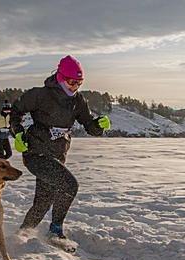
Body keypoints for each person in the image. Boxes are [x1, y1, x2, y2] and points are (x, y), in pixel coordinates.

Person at [10, 55, 110, 247]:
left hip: (58, 155)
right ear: (60, 77)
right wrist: (18, 133)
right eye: (72, 81)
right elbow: (15, 111)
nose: (75, 86)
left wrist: (99, 126)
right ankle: (55, 231)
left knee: (42, 202)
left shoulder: (78, 101)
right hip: (35, 153)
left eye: (79, 82)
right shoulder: (40, 94)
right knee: (69, 184)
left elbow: (90, 127)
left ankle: (21, 235)